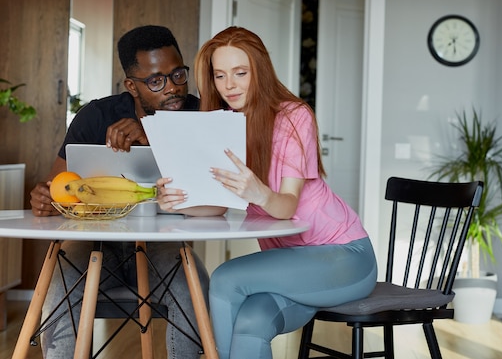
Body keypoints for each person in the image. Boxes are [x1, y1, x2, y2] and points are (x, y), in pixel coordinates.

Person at [156, 26, 377, 359]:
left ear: (259, 70)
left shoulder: (293, 116)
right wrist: (176, 204)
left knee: (227, 277)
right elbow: (217, 207)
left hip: (344, 258)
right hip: (291, 266)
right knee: (252, 321)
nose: (229, 85)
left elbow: (287, 205)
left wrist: (258, 193)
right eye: (219, 75)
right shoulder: (225, 125)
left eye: (240, 73)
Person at [29, 25, 225, 359]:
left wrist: (156, 138)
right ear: (132, 86)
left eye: (178, 74)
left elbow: (215, 193)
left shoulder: (202, 115)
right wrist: (45, 199)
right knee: (61, 287)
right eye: (156, 81)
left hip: (163, 243)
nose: (173, 88)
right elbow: (58, 185)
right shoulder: (95, 116)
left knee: (194, 288)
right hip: (94, 243)